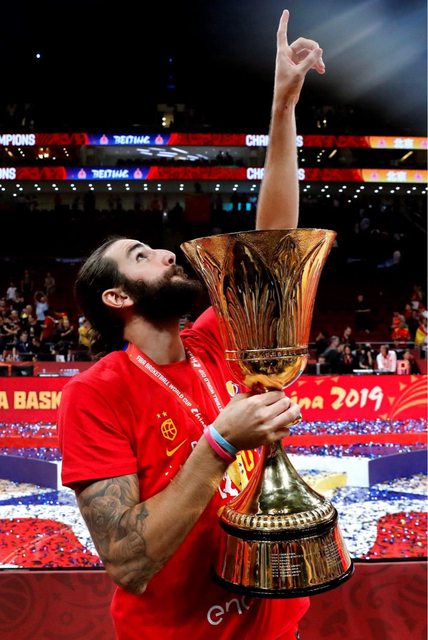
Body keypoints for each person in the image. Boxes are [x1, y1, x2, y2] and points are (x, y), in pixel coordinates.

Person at [57, 11, 325, 640]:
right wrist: (220, 444)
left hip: (276, 625)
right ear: (118, 296)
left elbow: (272, 247)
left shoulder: (212, 340)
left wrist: (283, 108)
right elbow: (128, 562)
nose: (167, 253)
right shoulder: (94, 395)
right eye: (141, 255)